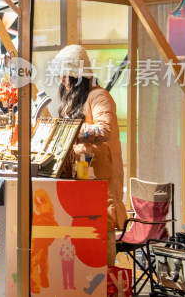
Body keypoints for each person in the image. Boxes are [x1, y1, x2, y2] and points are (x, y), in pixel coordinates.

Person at [52, 44, 127, 265]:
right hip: (80, 182)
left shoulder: (98, 96)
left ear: (78, 76)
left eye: (65, 75)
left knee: (101, 237)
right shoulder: (73, 102)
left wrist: (70, 131)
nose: (61, 80)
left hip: (101, 184)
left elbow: (105, 130)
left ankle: (105, 284)